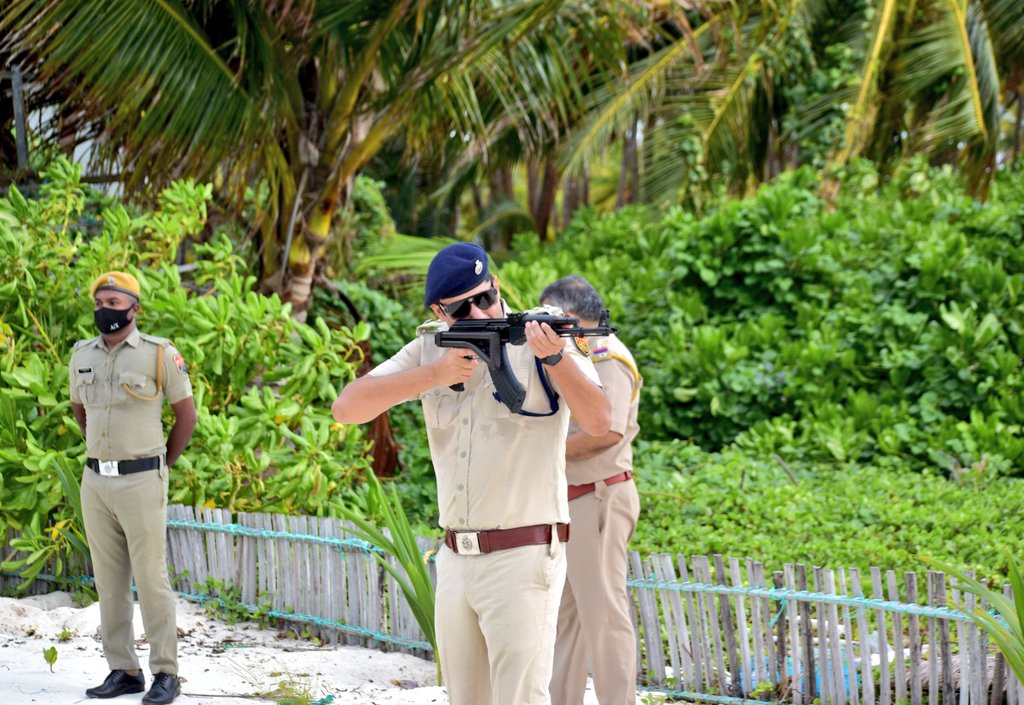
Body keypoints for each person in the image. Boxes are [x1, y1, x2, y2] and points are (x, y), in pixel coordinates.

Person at [332, 242, 611, 705]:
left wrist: (556, 359)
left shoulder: (542, 335)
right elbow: (346, 409)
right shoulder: (430, 348)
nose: (481, 315)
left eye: (485, 298)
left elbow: (601, 421)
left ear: (496, 287)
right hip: (456, 559)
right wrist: (434, 374)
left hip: (524, 556)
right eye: (464, 308)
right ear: (442, 313)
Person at [69, 271, 197, 704]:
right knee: (109, 582)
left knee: (151, 578)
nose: (105, 308)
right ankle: (123, 670)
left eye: (114, 301)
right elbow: (79, 410)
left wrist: (159, 464)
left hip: (142, 479)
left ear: (134, 308)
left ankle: (166, 673)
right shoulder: (81, 354)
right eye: (100, 300)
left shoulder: (159, 354)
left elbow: (186, 416)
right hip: (95, 481)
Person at [541, 275, 642, 705]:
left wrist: (545, 454)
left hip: (598, 498)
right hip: (576, 501)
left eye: (551, 319)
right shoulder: (578, 352)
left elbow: (608, 432)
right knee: (567, 622)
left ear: (572, 317)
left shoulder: (604, 354)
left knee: (604, 619)